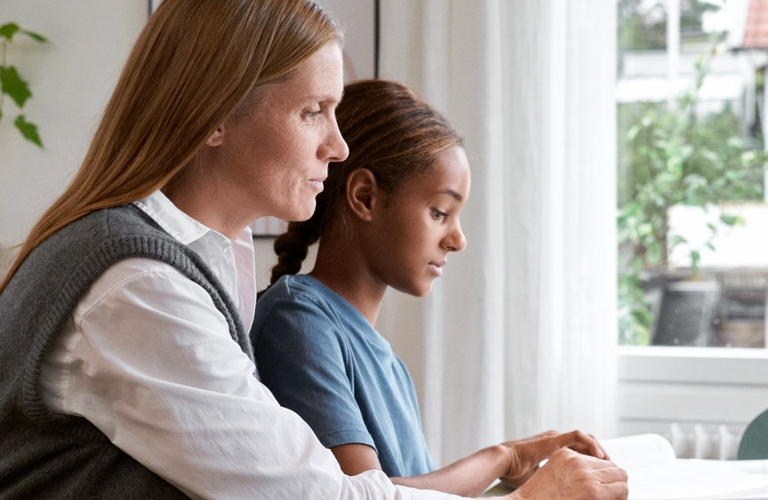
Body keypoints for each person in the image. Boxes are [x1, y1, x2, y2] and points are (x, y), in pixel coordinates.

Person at [0, 0, 626, 498]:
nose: (338, 144)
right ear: (213, 115)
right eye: (313, 112)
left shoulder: (198, 265)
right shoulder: (138, 288)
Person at [251, 79, 627, 498]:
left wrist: (511, 468)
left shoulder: (391, 367)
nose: (457, 239)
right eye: (439, 212)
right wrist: (501, 456)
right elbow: (362, 493)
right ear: (365, 197)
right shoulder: (297, 321)